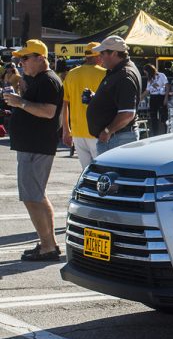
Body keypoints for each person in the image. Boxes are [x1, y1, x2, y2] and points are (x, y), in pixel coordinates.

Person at [3, 39, 64, 261]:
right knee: (35, 196)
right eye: (20, 59)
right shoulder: (39, 79)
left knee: (33, 197)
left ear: (40, 58)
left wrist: (21, 103)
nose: (21, 62)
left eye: (26, 58)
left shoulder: (48, 80)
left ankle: (48, 246)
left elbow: (48, 112)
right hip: (32, 145)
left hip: (36, 146)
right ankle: (48, 244)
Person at [86, 35, 142, 155]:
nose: (100, 57)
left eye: (102, 53)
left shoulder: (125, 74)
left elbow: (128, 113)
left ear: (114, 53)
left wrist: (108, 130)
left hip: (117, 138)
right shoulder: (118, 71)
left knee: (111, 173)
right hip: (116, 137)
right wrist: (96, 98)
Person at [61, 42, 106, 169]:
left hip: (77, 131)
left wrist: (66, 130)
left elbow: (65, 103)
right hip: (98, 131)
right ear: (98, 56)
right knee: (102, 171)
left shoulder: (71, 74)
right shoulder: (105, 73)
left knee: (86, 171)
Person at [141, 63, 169, 136]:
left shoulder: (161, 75)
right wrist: (139, 98)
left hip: (161, 97)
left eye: (146, 72)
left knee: (164, 116)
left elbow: (167, 86)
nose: (146, 74)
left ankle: (166, 133)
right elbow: (147, 91)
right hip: (153, 98)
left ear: (149, 71)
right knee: (153, 117)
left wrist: (166, 97)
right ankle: (155, 134)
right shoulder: (149, 79)